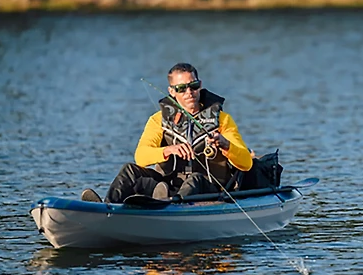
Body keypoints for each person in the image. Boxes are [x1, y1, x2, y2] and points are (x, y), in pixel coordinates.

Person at [81, 63, 253, 203]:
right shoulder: (158, 120)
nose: (189, 93)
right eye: (181, 88)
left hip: (208, 188)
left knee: (195, 179)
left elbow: (246, 163)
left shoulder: (223, 120)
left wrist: (226, 144)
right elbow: (141, 156)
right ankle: (106, 208)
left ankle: (168, 208)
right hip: (168, 187)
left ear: (200, 86)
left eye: (193, 86)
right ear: (172, 91)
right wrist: (168, 150)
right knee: (130, 170)